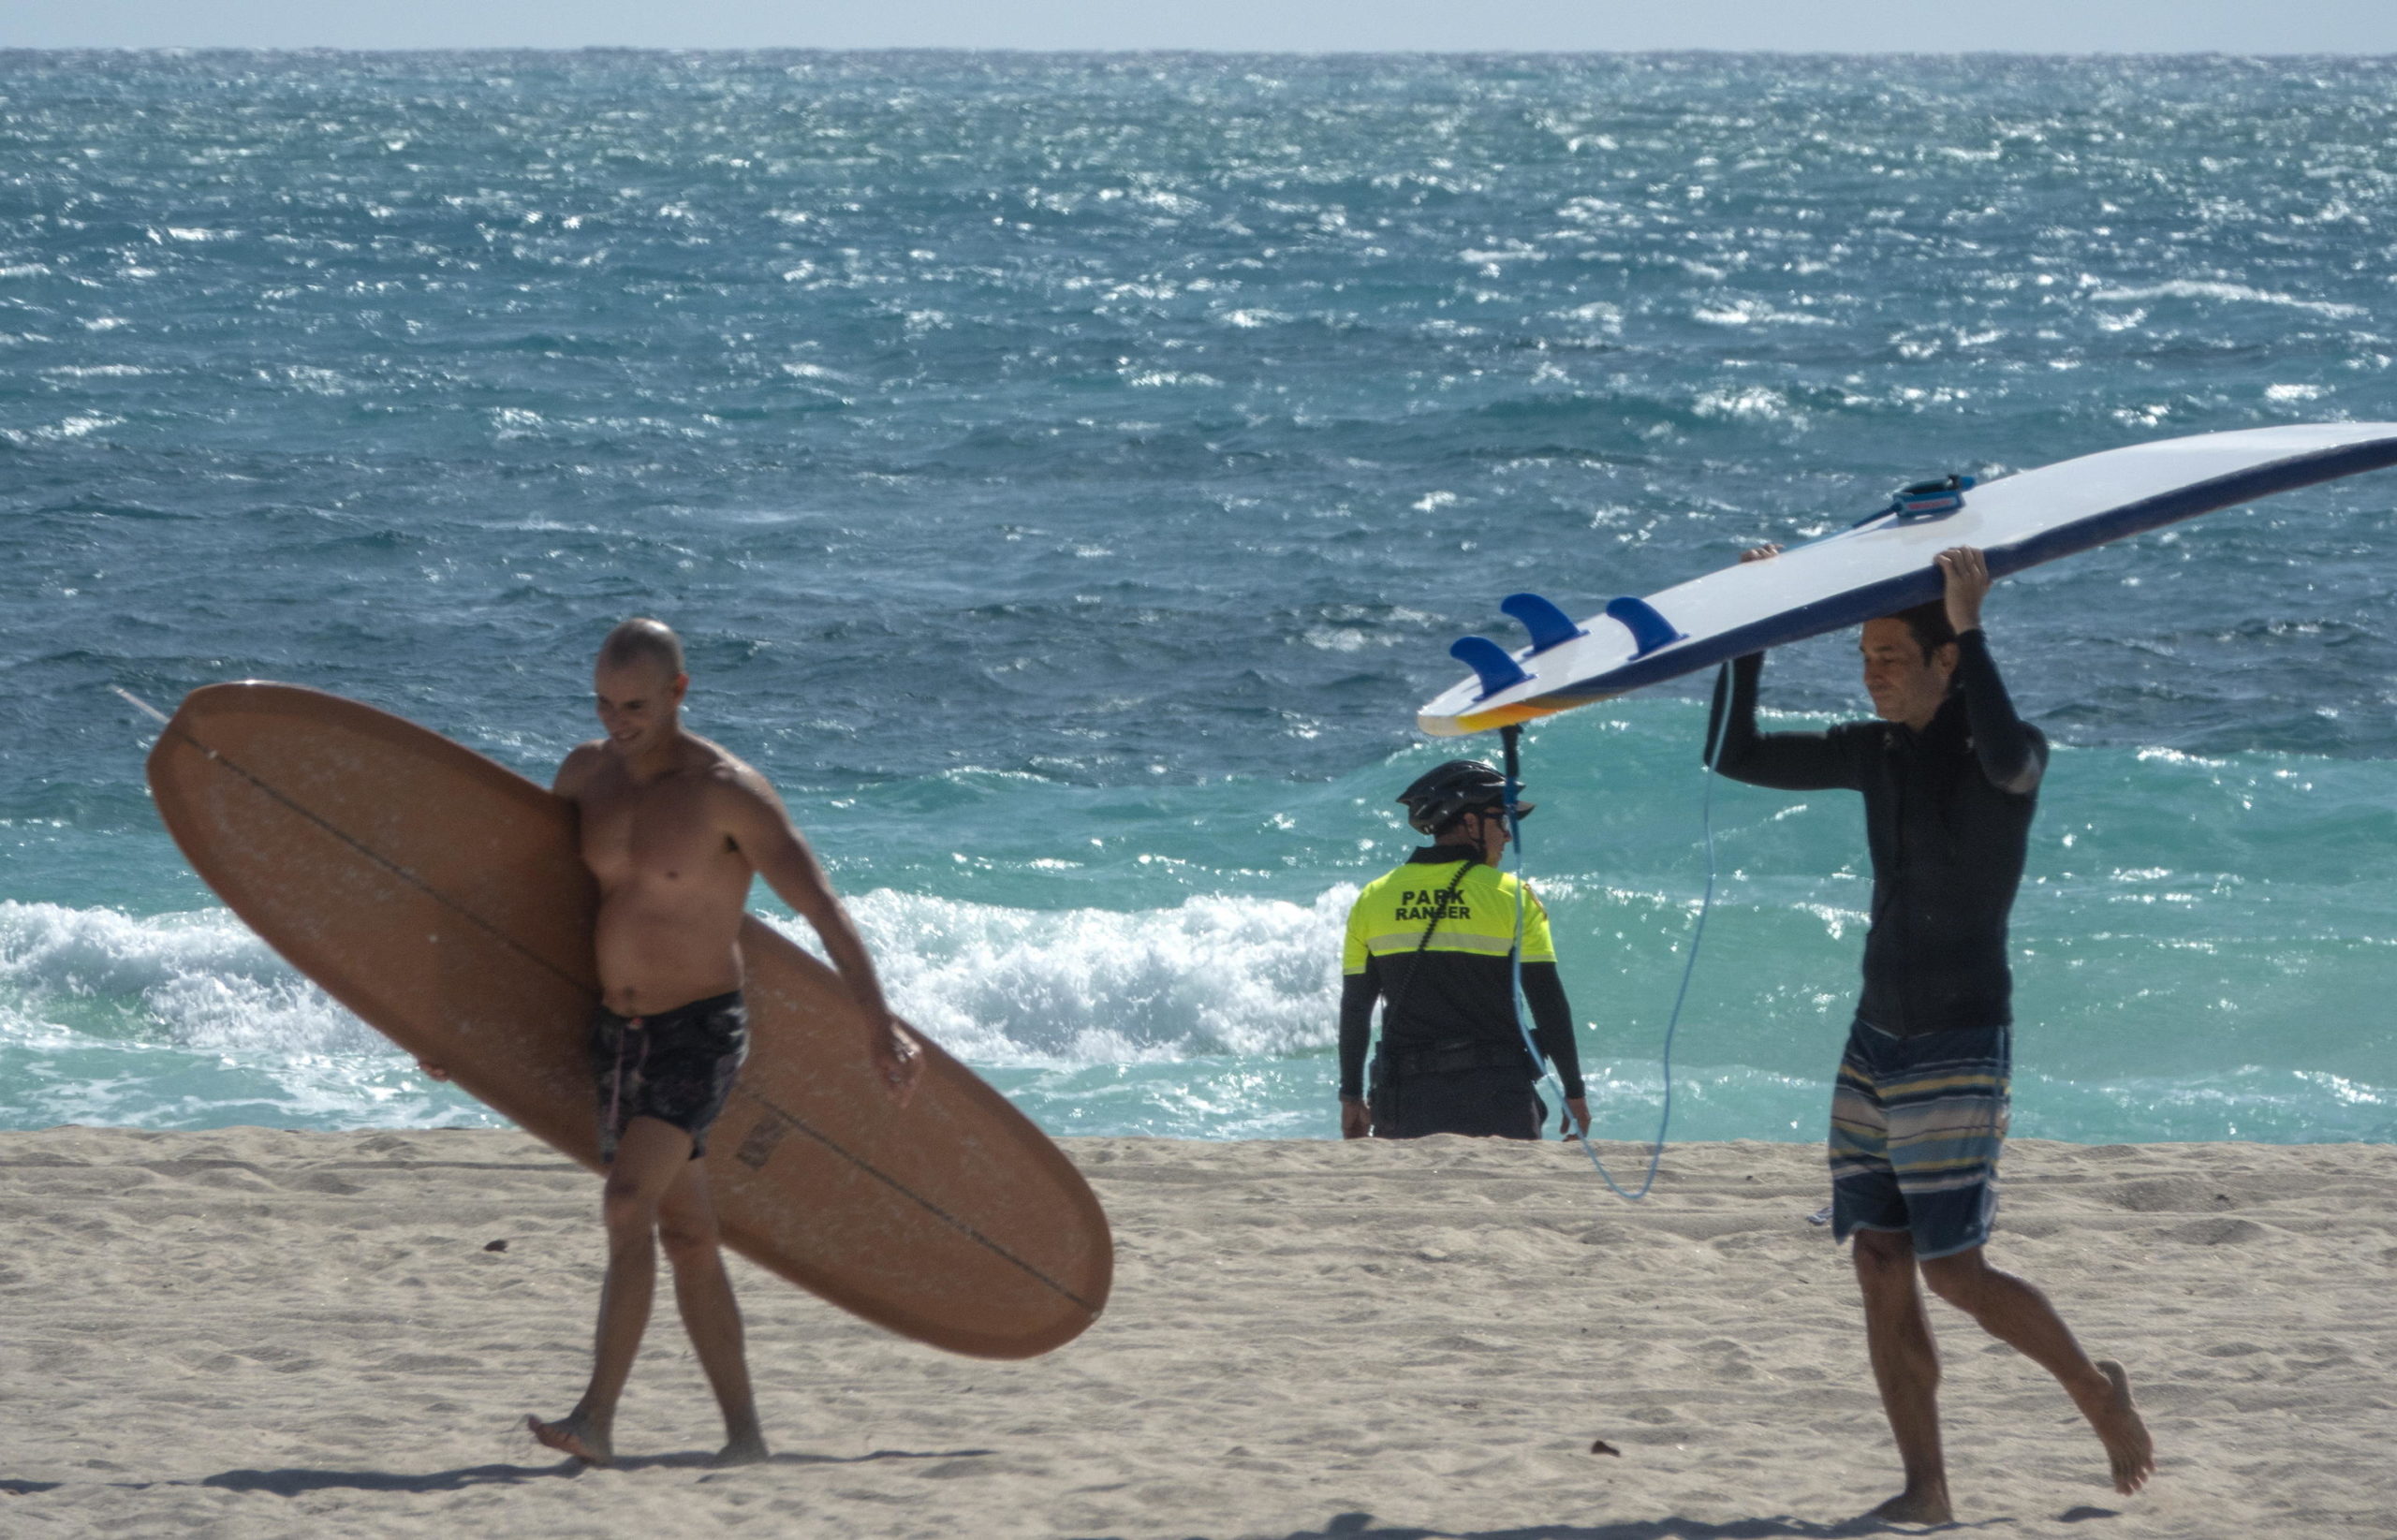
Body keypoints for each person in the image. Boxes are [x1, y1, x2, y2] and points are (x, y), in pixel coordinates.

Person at [1707, 544, 2154, 1521]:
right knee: (1875, 1259)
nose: (1870, 671)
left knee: (1952, 1267)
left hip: (1956, 1035)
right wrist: (1750, 632)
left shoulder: (2010, 751)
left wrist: (1974, 624)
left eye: (1890, 655)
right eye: (1861, 655)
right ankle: (1926, 1488)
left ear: (1945, 661)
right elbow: (1731, 755)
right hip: (1875, 1035)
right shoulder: (1876, 752)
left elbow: (2004, 758)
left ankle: (2092, 1390)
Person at [429, 617, 922, 1468]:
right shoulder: (586, 776)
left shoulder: (727, 793)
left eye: (635, 705)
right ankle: (745, 1437)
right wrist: (462, 1025)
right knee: (688, 1236)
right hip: (617, 1035)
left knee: (627, 1203)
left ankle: (596, 1419)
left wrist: (878, 1020)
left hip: (701, 1029)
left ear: (679, 693)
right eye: (603, 702)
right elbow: (535, 909)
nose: (616, 721)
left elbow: (823, 909)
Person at [1337, 759, 1592, 1142]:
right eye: (1501, 821)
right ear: (1469, 822)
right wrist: (1574, 1092)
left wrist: (1351, 1095)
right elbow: (1547, 1000)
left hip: (1407, 1100)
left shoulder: (1373, 898)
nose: (1507, 836)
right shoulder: (1512, 896)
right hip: (1499, 1096)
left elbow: (1357, 1007)